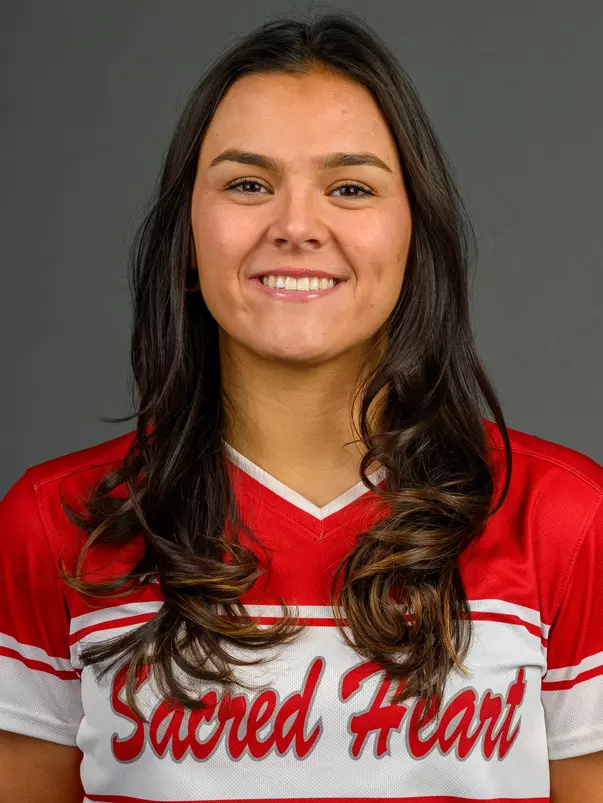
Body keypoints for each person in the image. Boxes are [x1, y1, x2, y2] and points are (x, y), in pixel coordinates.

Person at [1, 9, 602, 803]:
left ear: (413, 233)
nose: (294, 226)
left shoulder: (564, 519)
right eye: (247, 184)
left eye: (349, 187)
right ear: (188, 233)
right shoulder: (57, 525)